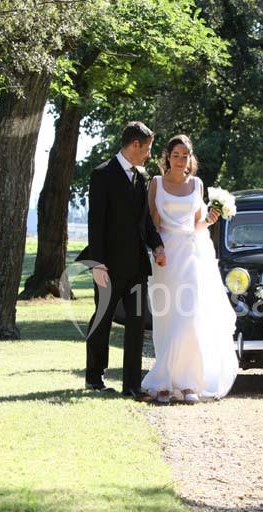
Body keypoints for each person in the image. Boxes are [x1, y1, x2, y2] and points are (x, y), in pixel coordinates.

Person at [141, 134, 238, 404]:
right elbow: (153, 223)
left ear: (190, 159)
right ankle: (163, 382)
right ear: (167, 157)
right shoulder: (156, 184)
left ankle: (187, 382)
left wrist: (210, 219)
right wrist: (157, 249)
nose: (181, 160)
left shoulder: (197, 185)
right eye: (176, 155)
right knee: (166, 319)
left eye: (185, 156)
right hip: (165, 257)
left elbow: (197, 224)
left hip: (192, 255)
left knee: (188, 318)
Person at [78, 122, 165, 400]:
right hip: (108, 266)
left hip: (137, 266)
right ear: (135, 145)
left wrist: (158, 245)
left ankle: (131, 385)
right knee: (102, 319)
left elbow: (146, 223)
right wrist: (98, 264)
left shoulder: (142, 177)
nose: (149, 155)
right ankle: (94, 378)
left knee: (138, 322)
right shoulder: (102, 174)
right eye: (148, 149)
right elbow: (96, 224)